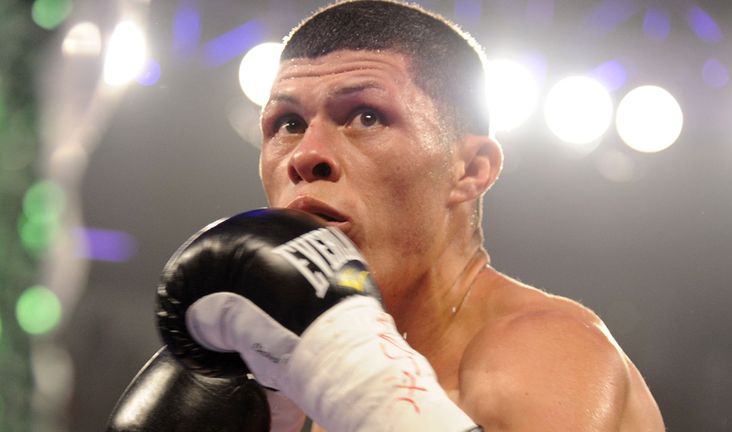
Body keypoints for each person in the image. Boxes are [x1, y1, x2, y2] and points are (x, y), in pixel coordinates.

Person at [118, 1, 665, 431]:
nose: (307, 154)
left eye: (365, 115)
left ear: (470, 168)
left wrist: (376, 393)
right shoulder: (270, 375)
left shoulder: (544, 352)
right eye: (286, 123)